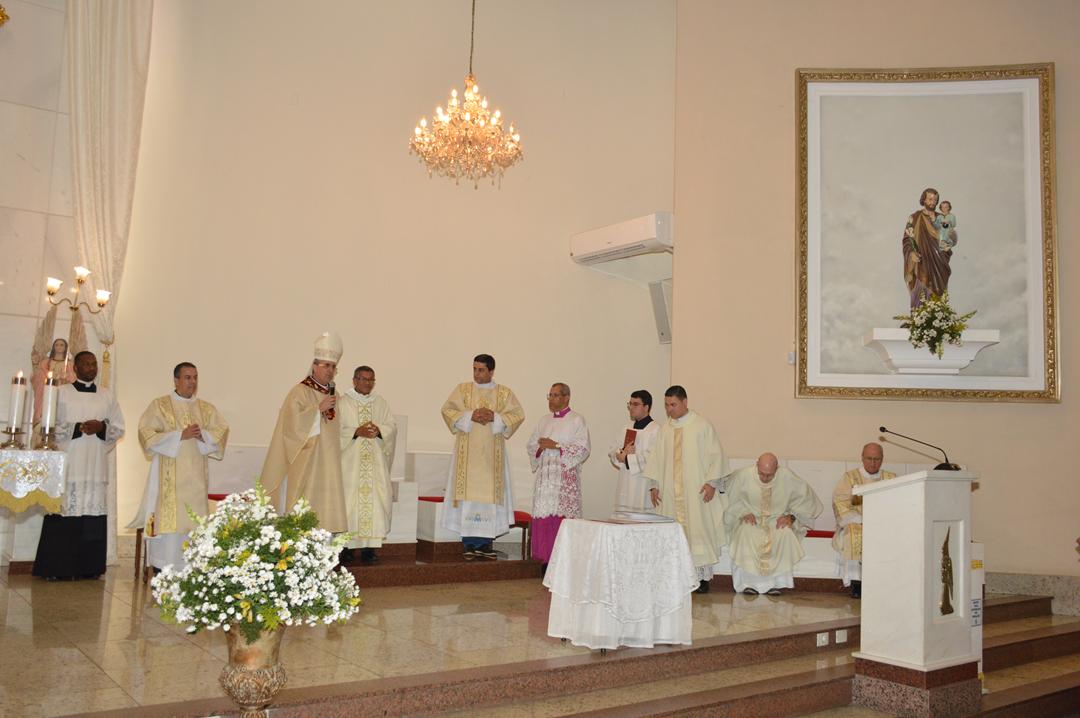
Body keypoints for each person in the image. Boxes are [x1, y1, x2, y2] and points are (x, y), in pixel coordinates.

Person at [32, 351, 125, 580]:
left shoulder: (106, 396)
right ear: (75, 367)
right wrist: (77, 427)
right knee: (63, 515)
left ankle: (89, 568)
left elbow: (119, 428)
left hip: (94, 467)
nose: (91, 367)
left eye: (94, 364)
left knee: (92, 517)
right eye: (86, 364)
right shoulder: (61, 393)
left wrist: (101, 428)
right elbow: (47, 426)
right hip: (68, 466)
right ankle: (57, 569)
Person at [128, 362, 229, 570]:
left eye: (195, 377)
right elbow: (145, 432)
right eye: (187, 377)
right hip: (169, 482)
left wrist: (203, 435)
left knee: (194, 523)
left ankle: (191, 569)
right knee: (171, 526)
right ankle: (165, 568)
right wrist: (179, 436)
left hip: (196, 481)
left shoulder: (205, 409)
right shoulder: (160, 405)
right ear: (176, 380)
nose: (192, 382)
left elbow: (221, 430)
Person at [641, 385, 726, 593]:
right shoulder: (666, 429)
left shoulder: (701, 425)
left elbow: (716, 455)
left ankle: (701, 579)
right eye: (667, 405)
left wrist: (712, 483)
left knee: (698, 530)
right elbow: (657, 459)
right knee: (673, 532)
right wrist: (654, 485)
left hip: (696, 491)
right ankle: (676, 576)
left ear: (685, 402)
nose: (669, 409)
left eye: (673, 405)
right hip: (671, 492)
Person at [440, 354, 525, 561]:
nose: (476, 374)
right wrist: (470, 415)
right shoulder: (462, 390)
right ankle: (469, 543)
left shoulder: (504, 393)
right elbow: (447, 410)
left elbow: (518, 414)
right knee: (469, 499)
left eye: (481, 370)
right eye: (474, 369)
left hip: (491, 459)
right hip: (467, 457)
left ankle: (485, 545)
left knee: (489, 500)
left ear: (491, 371)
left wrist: (495, 417)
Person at [261, 332, 348, 533]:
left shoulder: (335, 395)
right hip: (307, 462)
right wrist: (317, 410)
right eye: (326, 365)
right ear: (314, 366)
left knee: (326, 517)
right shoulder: (299, 392)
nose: (330, 371)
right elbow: (290, 427)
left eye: (333, 367)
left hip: (329, 465)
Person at [724, 453, 823, 596]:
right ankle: (747, 584)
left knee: (784, 533)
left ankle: (775, 584)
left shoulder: (787, 477)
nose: (765, 478)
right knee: (746, 532)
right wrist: (742, 512)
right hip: (750, 519)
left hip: (776, 520)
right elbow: (728, 500)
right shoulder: (742, 476)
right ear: (756, 464)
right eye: (761, 473)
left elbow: (806, 502)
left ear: (777, 468)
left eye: (769, 475)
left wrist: (791, 517)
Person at [338, 365, 397, 564]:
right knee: (349, 504)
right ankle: (345, 548)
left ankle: (369, 549)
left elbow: (391, 426)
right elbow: (334, 430)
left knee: (375, 505)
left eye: (371, 379)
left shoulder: (380, 403)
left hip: (375, 465)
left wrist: (380, 431)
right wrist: (356, 432)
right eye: (363, 379)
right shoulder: (343, 402)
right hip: (350, 466)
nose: (368, 383)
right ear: (354, 380)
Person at [525, 382, 590, 564]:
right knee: (544, 517)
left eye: (555, 395)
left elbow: (583, 447)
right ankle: (542, 562)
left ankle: (561, 564)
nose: (551, 399)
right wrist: (540, 447)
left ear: (566, 397)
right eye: (550, 395)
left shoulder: (577, 420)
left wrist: (556, 446)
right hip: (545, 481)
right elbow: (531, 445)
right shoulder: (544, 420)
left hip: (563, 481)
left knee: (560, 520)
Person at [831, 442, 896, 598]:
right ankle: (857, 583)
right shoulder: (850, 478)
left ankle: (885, 580)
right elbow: (840, 502)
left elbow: (898, 502)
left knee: (893, 535)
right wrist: (862, 520)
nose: (873, 463)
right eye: (869, 458)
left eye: (877, 459)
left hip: (884, 522)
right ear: (862, 458)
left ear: (882, 459)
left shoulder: (891, 478)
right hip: (857, 521)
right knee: (853, 535)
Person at [903, 187, 955, 309]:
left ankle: (938, 314)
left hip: (939, 261)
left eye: (935, 200)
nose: (933, 202)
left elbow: (950, 235)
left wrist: (949, 242)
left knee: (938, 290)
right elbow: (907, 239)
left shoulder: (942, 218)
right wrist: (911, 253)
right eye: (930, 199)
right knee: (922, 286)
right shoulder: (915, 218)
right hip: (921, 261)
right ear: (924, 200)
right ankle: (920, 315)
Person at [609, 389, 659, 514]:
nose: (631, 408)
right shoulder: (626, 428)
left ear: (646, 407)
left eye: (635, 404)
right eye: (630, 404)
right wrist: (621, 453)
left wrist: (626, 459)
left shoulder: (655, 430)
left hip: (642, 485)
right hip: (625, 483)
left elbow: (653, 459)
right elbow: (613, 450)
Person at [31, 337, 76, 423]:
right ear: (53, 347)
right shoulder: (45, 362)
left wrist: (66, 377)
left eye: (62, 345)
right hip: (47, 390)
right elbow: (39, 375)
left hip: (62, 392)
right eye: (57, 345)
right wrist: (50, 379)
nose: (59, 347)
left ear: (66, 348)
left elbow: (73, 379)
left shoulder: (70, 364)